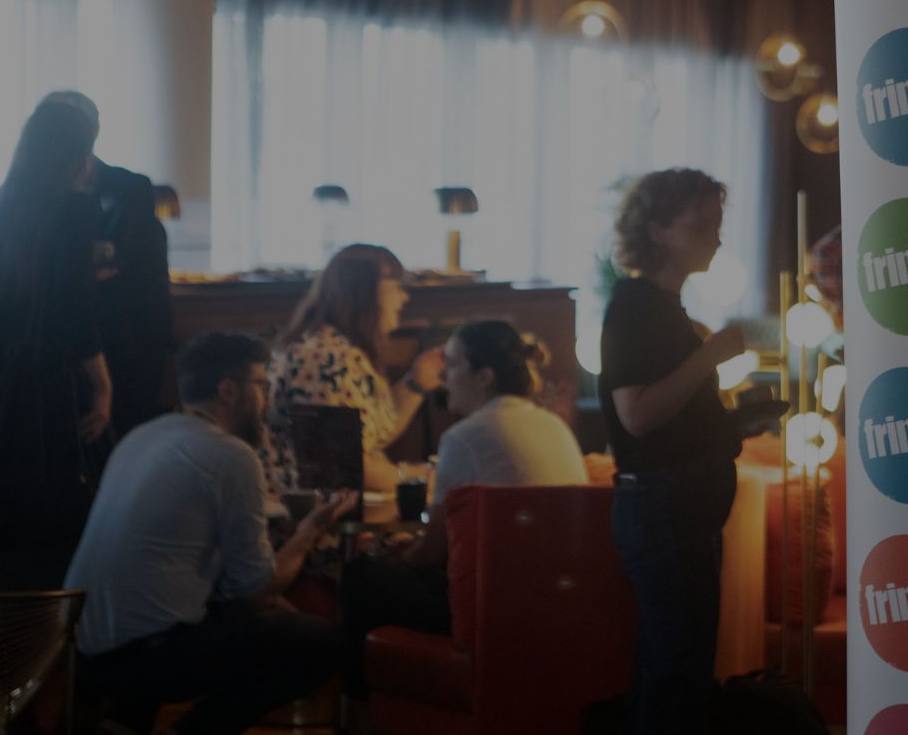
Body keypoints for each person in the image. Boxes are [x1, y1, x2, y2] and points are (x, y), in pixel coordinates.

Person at [65, 333, 355, 735]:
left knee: (205, 611)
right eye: (262, 386)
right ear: (228, 390)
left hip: (78, 647)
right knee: (324, 645)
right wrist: (310, 529)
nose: (267, 399)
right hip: (143, 656)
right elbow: (256, 592)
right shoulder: (231, 455)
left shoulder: (143, 435)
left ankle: (123, 721)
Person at [338, 320, 587, 696]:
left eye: (452, 365)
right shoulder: (554, 426)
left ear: (484, 376)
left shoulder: (465, 437)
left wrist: (396, 554)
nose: (443, 376)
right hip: (559, 604)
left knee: (361, 576)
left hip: (494, 609)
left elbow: (432, 551)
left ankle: (358, 717)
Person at [0, 100, 113, 589]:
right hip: (49, 387)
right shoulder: (76, 209)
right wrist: (102, 383)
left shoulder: (7, 200)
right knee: (61, 517)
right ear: (79, 151)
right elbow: (76, 309)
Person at [599, 168, 747, 735]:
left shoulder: (663, 308)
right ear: (658, 230)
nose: (714, 237)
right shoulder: (637, 306)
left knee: (672, 667)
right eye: (701, 224)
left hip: (677, 507)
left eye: (716, 224)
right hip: (663, 508)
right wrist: (710, 356)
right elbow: (637, 414)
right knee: (677, 672)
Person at [41, 91, 176, 437]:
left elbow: (121, 259)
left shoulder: (129, 187)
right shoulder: (31, 193)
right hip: (53, 350)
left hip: (122, 344)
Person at [266, 244, 444, 494]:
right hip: (311, 518)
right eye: (397, 288)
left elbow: (368, 438)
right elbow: (344, 466)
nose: (405, 298)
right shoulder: (325, 357)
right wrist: (423, 478)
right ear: (366, 292)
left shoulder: (339, 349)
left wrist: (417, 383)